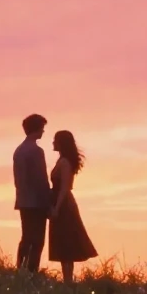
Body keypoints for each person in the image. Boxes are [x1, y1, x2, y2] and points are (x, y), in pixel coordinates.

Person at [48, 129, 97, 284]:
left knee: (67, 242)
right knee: (63, 243)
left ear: (62, 143)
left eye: (55, 140)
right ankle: (67, 280)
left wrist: (57, 208)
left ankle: (68, 281)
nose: (53, 142)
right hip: (61, 203)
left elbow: (64, 188)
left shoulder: (64, 162)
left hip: (64, 205)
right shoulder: (62, 161)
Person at [13, 114, 52, 273]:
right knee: (37, 240)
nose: (43, 131)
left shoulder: (19, 150)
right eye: (42, 128)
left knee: (26, 237)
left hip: (23, 200)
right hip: (36, 202)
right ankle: (32, 271)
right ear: (37, 128)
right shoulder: (36, 151)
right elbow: (41, 179)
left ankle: (21, 268)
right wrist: (48, 203)